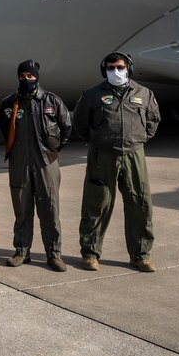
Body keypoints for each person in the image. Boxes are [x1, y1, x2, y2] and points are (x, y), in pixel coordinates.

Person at [72, 52, 161, 272]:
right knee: (97, 203)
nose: (116, 71)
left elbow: (152, 122)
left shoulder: (145, 94)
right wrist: (99, 142)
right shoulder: (92, 95)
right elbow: (81, 124)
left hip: (134, 154)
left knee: (140, 203)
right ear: (105, 71)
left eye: (120, 67)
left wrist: (136, 140)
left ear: (129, 68)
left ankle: (141, 255)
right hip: (102, 155)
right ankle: (90, 253)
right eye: (111, 68)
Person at [0, 60, 72, 271]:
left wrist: (53, 152)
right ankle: (21, 251)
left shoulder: (52, 101)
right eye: (22, 76)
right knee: (22, 209)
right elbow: (4, 129)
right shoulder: (10, 103)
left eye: (30, 76)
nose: (26, 79)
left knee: (50, 208)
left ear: (37, 77)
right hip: (19, 162)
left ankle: (54, 254)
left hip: (46, 162)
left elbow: (66, 128)